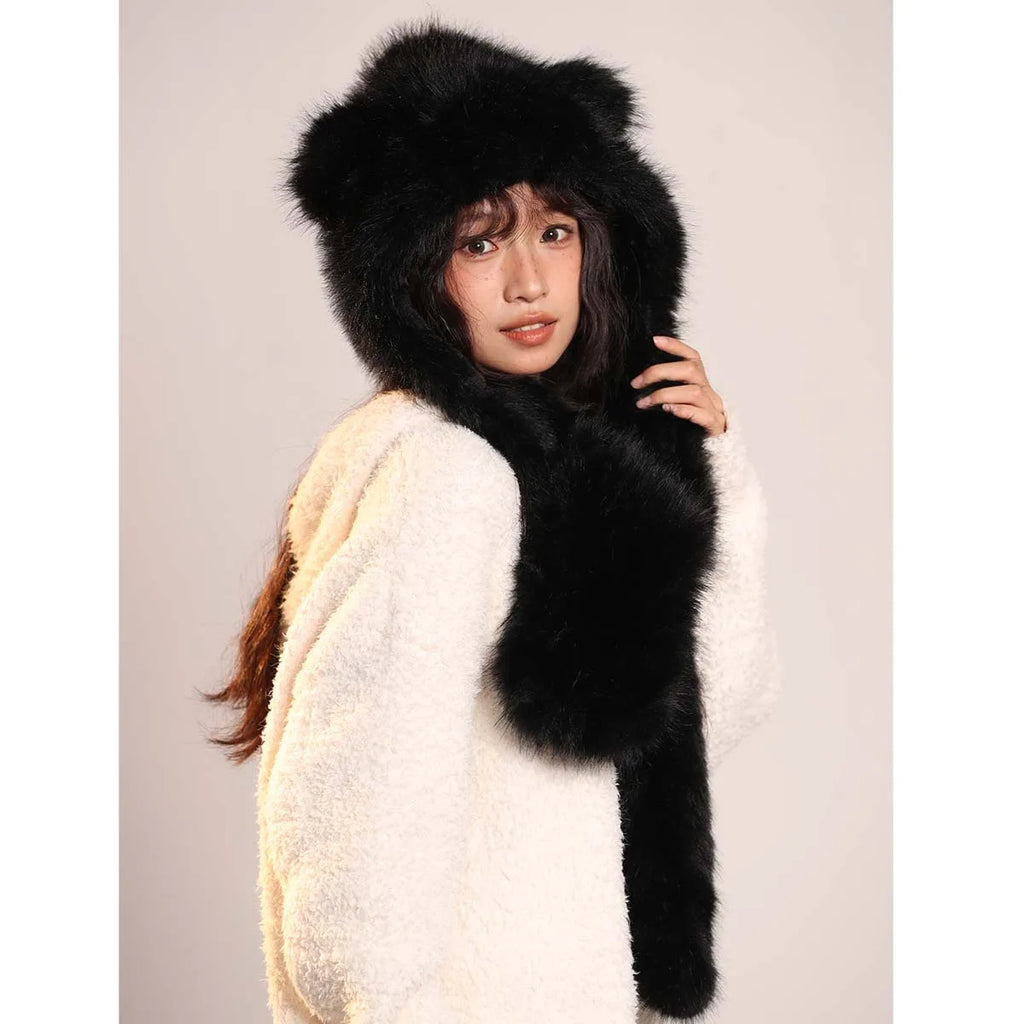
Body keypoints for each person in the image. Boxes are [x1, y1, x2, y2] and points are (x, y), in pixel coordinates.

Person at [204, 18, 783, 1024]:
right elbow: (356, 817)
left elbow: (711, 708)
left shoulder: (551, 473)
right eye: (479, 241)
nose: (529, 281)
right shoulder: (445, 475)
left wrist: (701, 463)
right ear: (409, 274)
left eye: (554, 230)